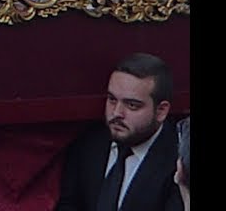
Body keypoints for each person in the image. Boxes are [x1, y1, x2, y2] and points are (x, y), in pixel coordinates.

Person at [54, 52, 184, 210]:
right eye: (112, 99)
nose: (116, 113)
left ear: (161, 111)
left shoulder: (180, 161)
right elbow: (69, 204)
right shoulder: (88, 144)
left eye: (132, 105)